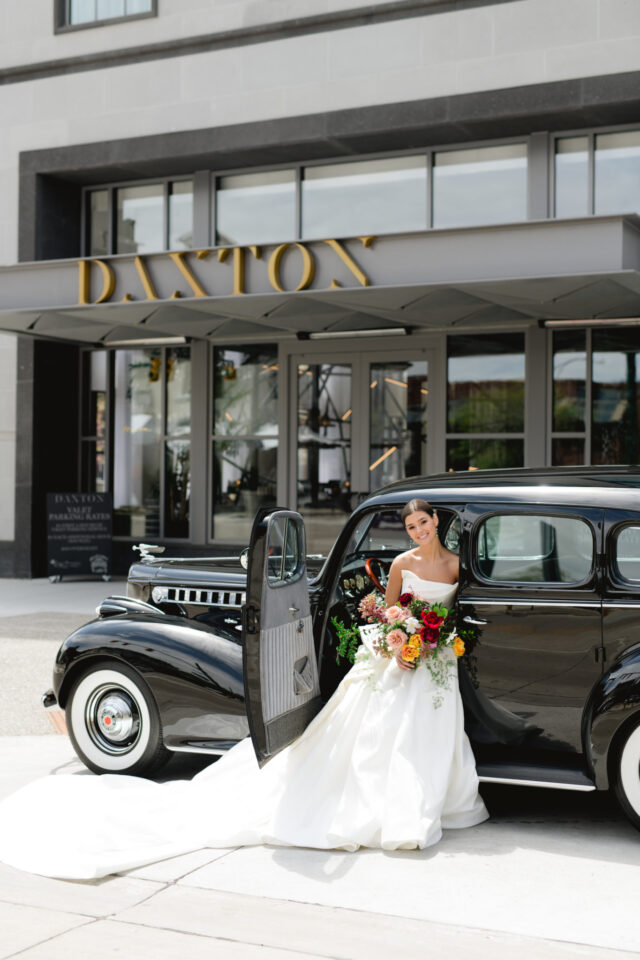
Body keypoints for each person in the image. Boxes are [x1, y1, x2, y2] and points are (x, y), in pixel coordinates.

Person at [0, 499, 488, 880]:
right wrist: (397, 634)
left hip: (432, 659)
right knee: (390, 730)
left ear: (436, 522)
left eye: (423, 524)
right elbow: (386, 611)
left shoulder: (453, 565)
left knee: (420, 727)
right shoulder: (402, 563)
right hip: (402, 655)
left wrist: (428, 637)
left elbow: (453, 607)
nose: (418, 532)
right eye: (410, 527)